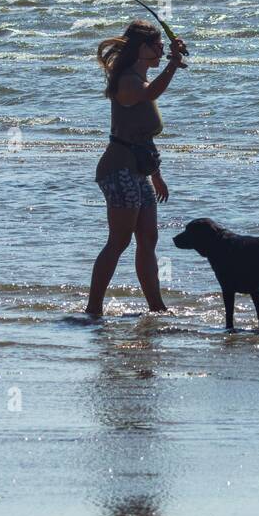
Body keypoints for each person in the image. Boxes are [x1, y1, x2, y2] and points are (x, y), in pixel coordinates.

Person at [85, 19, 187, 316]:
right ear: (141, 49)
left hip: (139, 171)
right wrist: (173, 64)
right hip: (118, 170)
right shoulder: (127, 81)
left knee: (148, 238)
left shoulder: (139, 79)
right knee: (119, 241)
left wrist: (157, 176)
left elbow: (142, 135)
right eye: (156, 46)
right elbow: (150, 92)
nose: (160, 50)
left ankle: (156, 307)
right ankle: (93, 309)